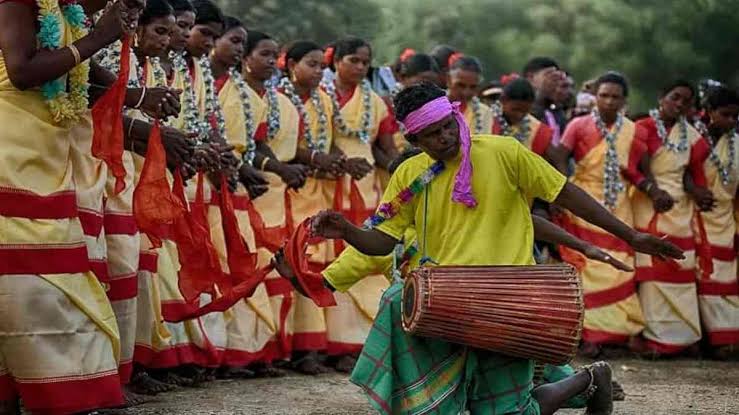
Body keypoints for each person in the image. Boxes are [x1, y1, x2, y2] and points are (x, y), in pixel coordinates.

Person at [284, 82, 682, 414]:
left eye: (447, 126)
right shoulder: (408, 172)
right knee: (436, 399)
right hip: (442, 303)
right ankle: (581, 382)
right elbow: (382, 241)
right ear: (414, 138)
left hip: (506, 298)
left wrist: (630, 236)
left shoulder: (503, 151)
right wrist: (347, 231)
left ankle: (589, 379)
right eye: (432, 134)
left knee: (507, 411)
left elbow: (565, 193)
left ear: (455, 116)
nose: (444, 137)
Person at [0, 0, 146, 413]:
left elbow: (88, 78)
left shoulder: (67, 16)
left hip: (50, 151)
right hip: (11, 148)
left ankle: (56, 386)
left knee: (51, 273)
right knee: (26, 279)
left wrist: (144, 100)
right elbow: (22, 71)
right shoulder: (20, 2)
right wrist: (100, 37)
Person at [553, 72, 648, 356]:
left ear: (624, 101)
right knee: (588, 265)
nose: (608, 101)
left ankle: (620, 333)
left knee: (620, 266)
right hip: (583, 201)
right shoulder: (578, 125)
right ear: (595, 96)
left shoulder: (634, 131)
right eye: (603, 95)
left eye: (614, 97)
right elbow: (559, 156)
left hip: (619, 204)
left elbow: (638, 170)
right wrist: (561, 189)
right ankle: (590, 334)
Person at [320, 36, 399, 372]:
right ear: (335, 60)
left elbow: (385, 150)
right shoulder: (317, 96)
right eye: (353, 59)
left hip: (366, 189)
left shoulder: (377, 104)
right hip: (325, 186)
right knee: (330, 258)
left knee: (364, 262)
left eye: (366, 63)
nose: (360, 67)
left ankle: (355, 345)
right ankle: (322, 343)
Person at [631, 80, 709, 358]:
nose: (680, 105)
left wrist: (698, 192)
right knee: (652, 276)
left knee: (682, 272)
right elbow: (631, 169)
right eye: (675, 97)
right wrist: (652, 190)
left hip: (681, 210)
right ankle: (654, 339)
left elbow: (690, 174)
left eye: (686, 101)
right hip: (649, 206)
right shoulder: (642, 127)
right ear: (661, 96)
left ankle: (685, 338)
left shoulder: (692, 135)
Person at [278, 40, 343, 375]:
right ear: (291, 65)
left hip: (318, 192)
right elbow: (286, 147)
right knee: (292, 261)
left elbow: (326, 143)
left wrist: (335, 162)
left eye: (322, 66)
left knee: (316, 264)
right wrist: (318, 159)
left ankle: (312, 346)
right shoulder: (278, 98)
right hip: (289, 192)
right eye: (312, 64)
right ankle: (289, 348)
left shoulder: (324, 101)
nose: (320, 72)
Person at [691, 85, 739, 359]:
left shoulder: (737, 143)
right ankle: (705, 338)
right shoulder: (692, 138)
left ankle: (726, 336)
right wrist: (695, 191)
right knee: (696, 278)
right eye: (725, 115)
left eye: (736, 117)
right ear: (709, 112)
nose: (731, 121)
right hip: (692, 218)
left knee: (724, 277)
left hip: (725, 220)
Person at [492, 78, 557, 163]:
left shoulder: (540, 131)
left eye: (525, 111)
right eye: (515, 109)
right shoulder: (487, 120)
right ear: (503, 100)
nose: (519, 115)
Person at [524, 57, 567, 146]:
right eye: (548, 75)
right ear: (531, 78)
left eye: (556, 76)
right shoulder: (522, 111)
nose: (554, 80)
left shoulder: (557, 111)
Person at [446, 55, 493, 134]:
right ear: (449, 80)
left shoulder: (484, 112)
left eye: (473, 87)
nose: (466, 92)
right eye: (460, 85)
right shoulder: (433, 106)